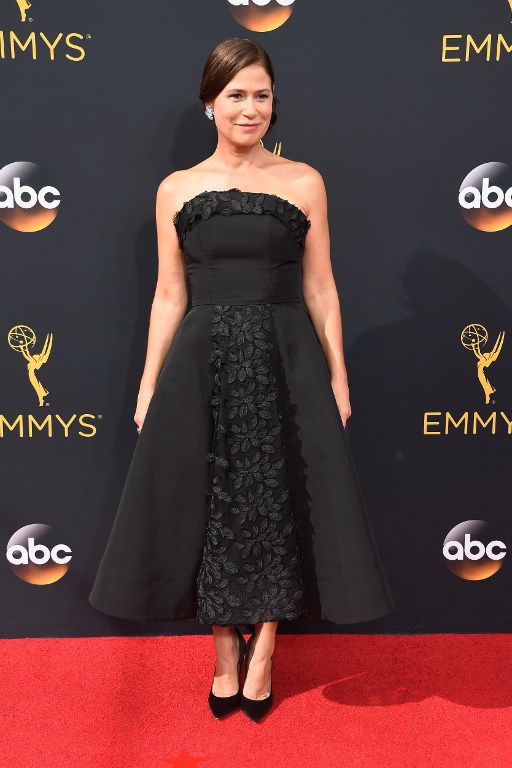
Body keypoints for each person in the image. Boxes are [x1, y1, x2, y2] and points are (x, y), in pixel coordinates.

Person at [89, 36, 395, 722]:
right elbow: (170, 295)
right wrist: (147, 385)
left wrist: (338, 377)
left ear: (273, 102)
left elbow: (321, 289)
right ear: (209, 104)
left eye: (261, 95)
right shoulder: (178, 188)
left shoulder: (304, 182)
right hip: (203, 361)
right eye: (235, 95)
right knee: (210, 501)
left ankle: (265, 652)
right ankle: (224, 647)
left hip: (287, 359)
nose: (249, 108)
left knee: (280, 497)